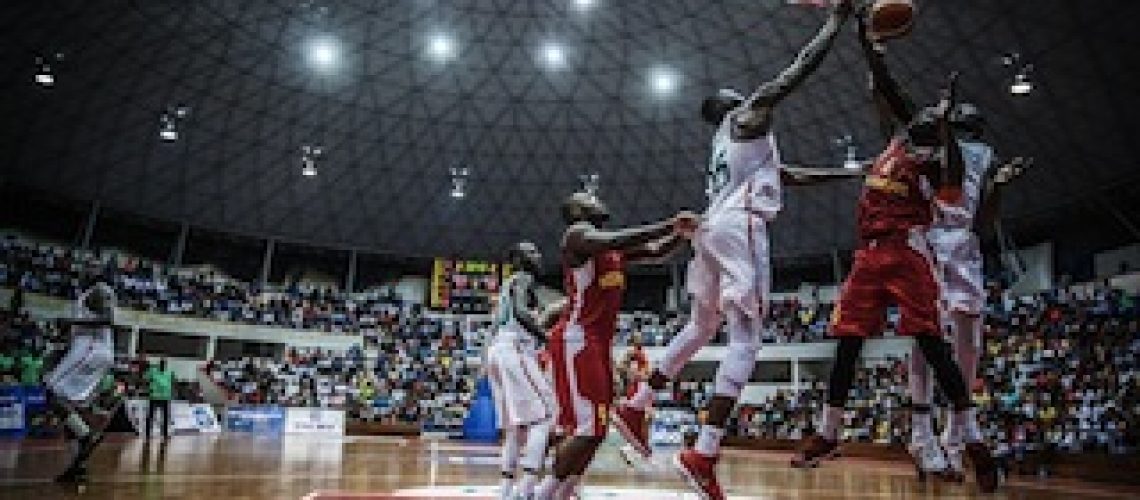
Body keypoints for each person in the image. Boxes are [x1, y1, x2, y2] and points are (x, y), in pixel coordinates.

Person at [615, 1, 853, 497]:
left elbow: (789, 175)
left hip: (711, 229)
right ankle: (703, 452)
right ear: (729, 104)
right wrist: (836, 21)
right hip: (739, 227)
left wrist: (852, 173)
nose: (744, 93)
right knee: (746, 339)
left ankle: (636, 405)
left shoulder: (732, 145)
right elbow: (798, 71)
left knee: (701, 326)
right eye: (736, 94)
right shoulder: (747, 116)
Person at [792, 9, 998, 493]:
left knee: (930, 341)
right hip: (868, 255)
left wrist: (946, 123)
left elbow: (951, 178)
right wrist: (869, 44)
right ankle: (828, 430)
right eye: (919, 113)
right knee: (847, 342)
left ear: (937, 133)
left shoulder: (937, 163)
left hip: (908, 254)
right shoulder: (899, 143)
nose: (919, 113)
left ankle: (969, 436)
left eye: (929, 118)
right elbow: (889, 89)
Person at [535, 192, 695, 500]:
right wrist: (669, 223)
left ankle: (563, 491)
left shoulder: (614, 250)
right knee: (587, 430)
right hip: (577, 340)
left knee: (597, 429)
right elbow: (616, 240)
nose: (597, 199)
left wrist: (682, 234)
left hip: (598, 343)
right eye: (589, 198)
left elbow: (657, 251)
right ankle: (543, 494)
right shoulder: (577, 235)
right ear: (577, 210)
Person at [907, 102, 1031, 480]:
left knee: (969, 340)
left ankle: (955, 434)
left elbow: (985, 219)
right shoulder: (927, 150)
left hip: (965, 243)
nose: (969, 131)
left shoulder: (983, 157)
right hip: (929, 239)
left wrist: (998, 188)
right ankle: (921, 431)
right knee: (926, 337)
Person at [485, 241, 560, 500]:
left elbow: (498, 324)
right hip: (514, 348)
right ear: (518, 259)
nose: (538, 255)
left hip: (497, 350)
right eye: (532, 252)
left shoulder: (508, 285)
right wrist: (546, 337)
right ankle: (527, 489)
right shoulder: (523, 279)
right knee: (545, 416)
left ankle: (505, 491)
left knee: (514, 429)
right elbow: (520, 313)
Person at [43, 283, 118, 484]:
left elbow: (108, 320)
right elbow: (81, 326)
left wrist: (70, 321)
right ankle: (78, 467)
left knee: (51, 391)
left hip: (91, 350)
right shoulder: (82, 298)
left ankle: (87, 437)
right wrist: (61, 336)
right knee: (69, 412)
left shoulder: (99, 289)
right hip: (91, 351)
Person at [145, 357, 175, 440]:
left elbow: (172, 383)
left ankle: (164, 433)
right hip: (154, 396)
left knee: (165, 416)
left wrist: (171, 393)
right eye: (161, 363)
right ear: (159, 364)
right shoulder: (153, 372)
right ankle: (148, 433)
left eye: (164, 363)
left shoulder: (169, 373)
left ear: (165, 365)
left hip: (165, 397)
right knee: (151, 416)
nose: (162, 365)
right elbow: (145, 378)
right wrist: (149, 387)